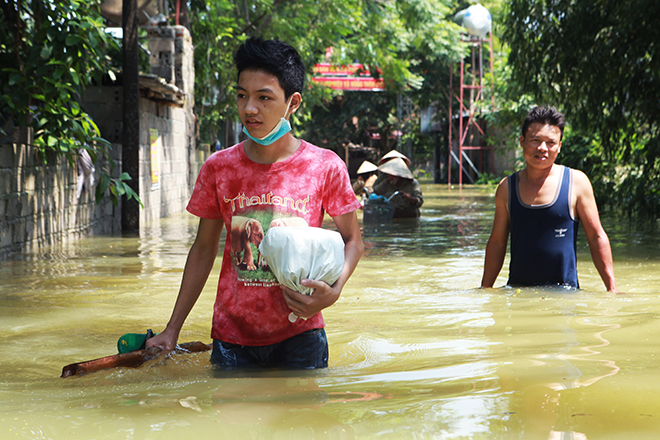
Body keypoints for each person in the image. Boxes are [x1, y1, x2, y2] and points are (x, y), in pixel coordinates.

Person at [146, 37, 364, 369]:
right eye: (242, 96)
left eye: (264, 98)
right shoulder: (219, 168)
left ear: (293, 103)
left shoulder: (325, 166)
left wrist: (333, 292)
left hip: (301, 334)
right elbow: (204, 249)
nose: (249, 109)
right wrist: (171, 329)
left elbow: (353, 241)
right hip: (232, 338)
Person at [481, 106, 618, 291]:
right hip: (519, 294)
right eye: (535, 140)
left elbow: (596, 237)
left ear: (559, 146)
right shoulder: (507, 188)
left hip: (565, 295)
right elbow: (497, 243)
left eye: (551, 143)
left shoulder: (576, 183)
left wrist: (612, 289)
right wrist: (485, 289)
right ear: (522, 142)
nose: (542, 148)